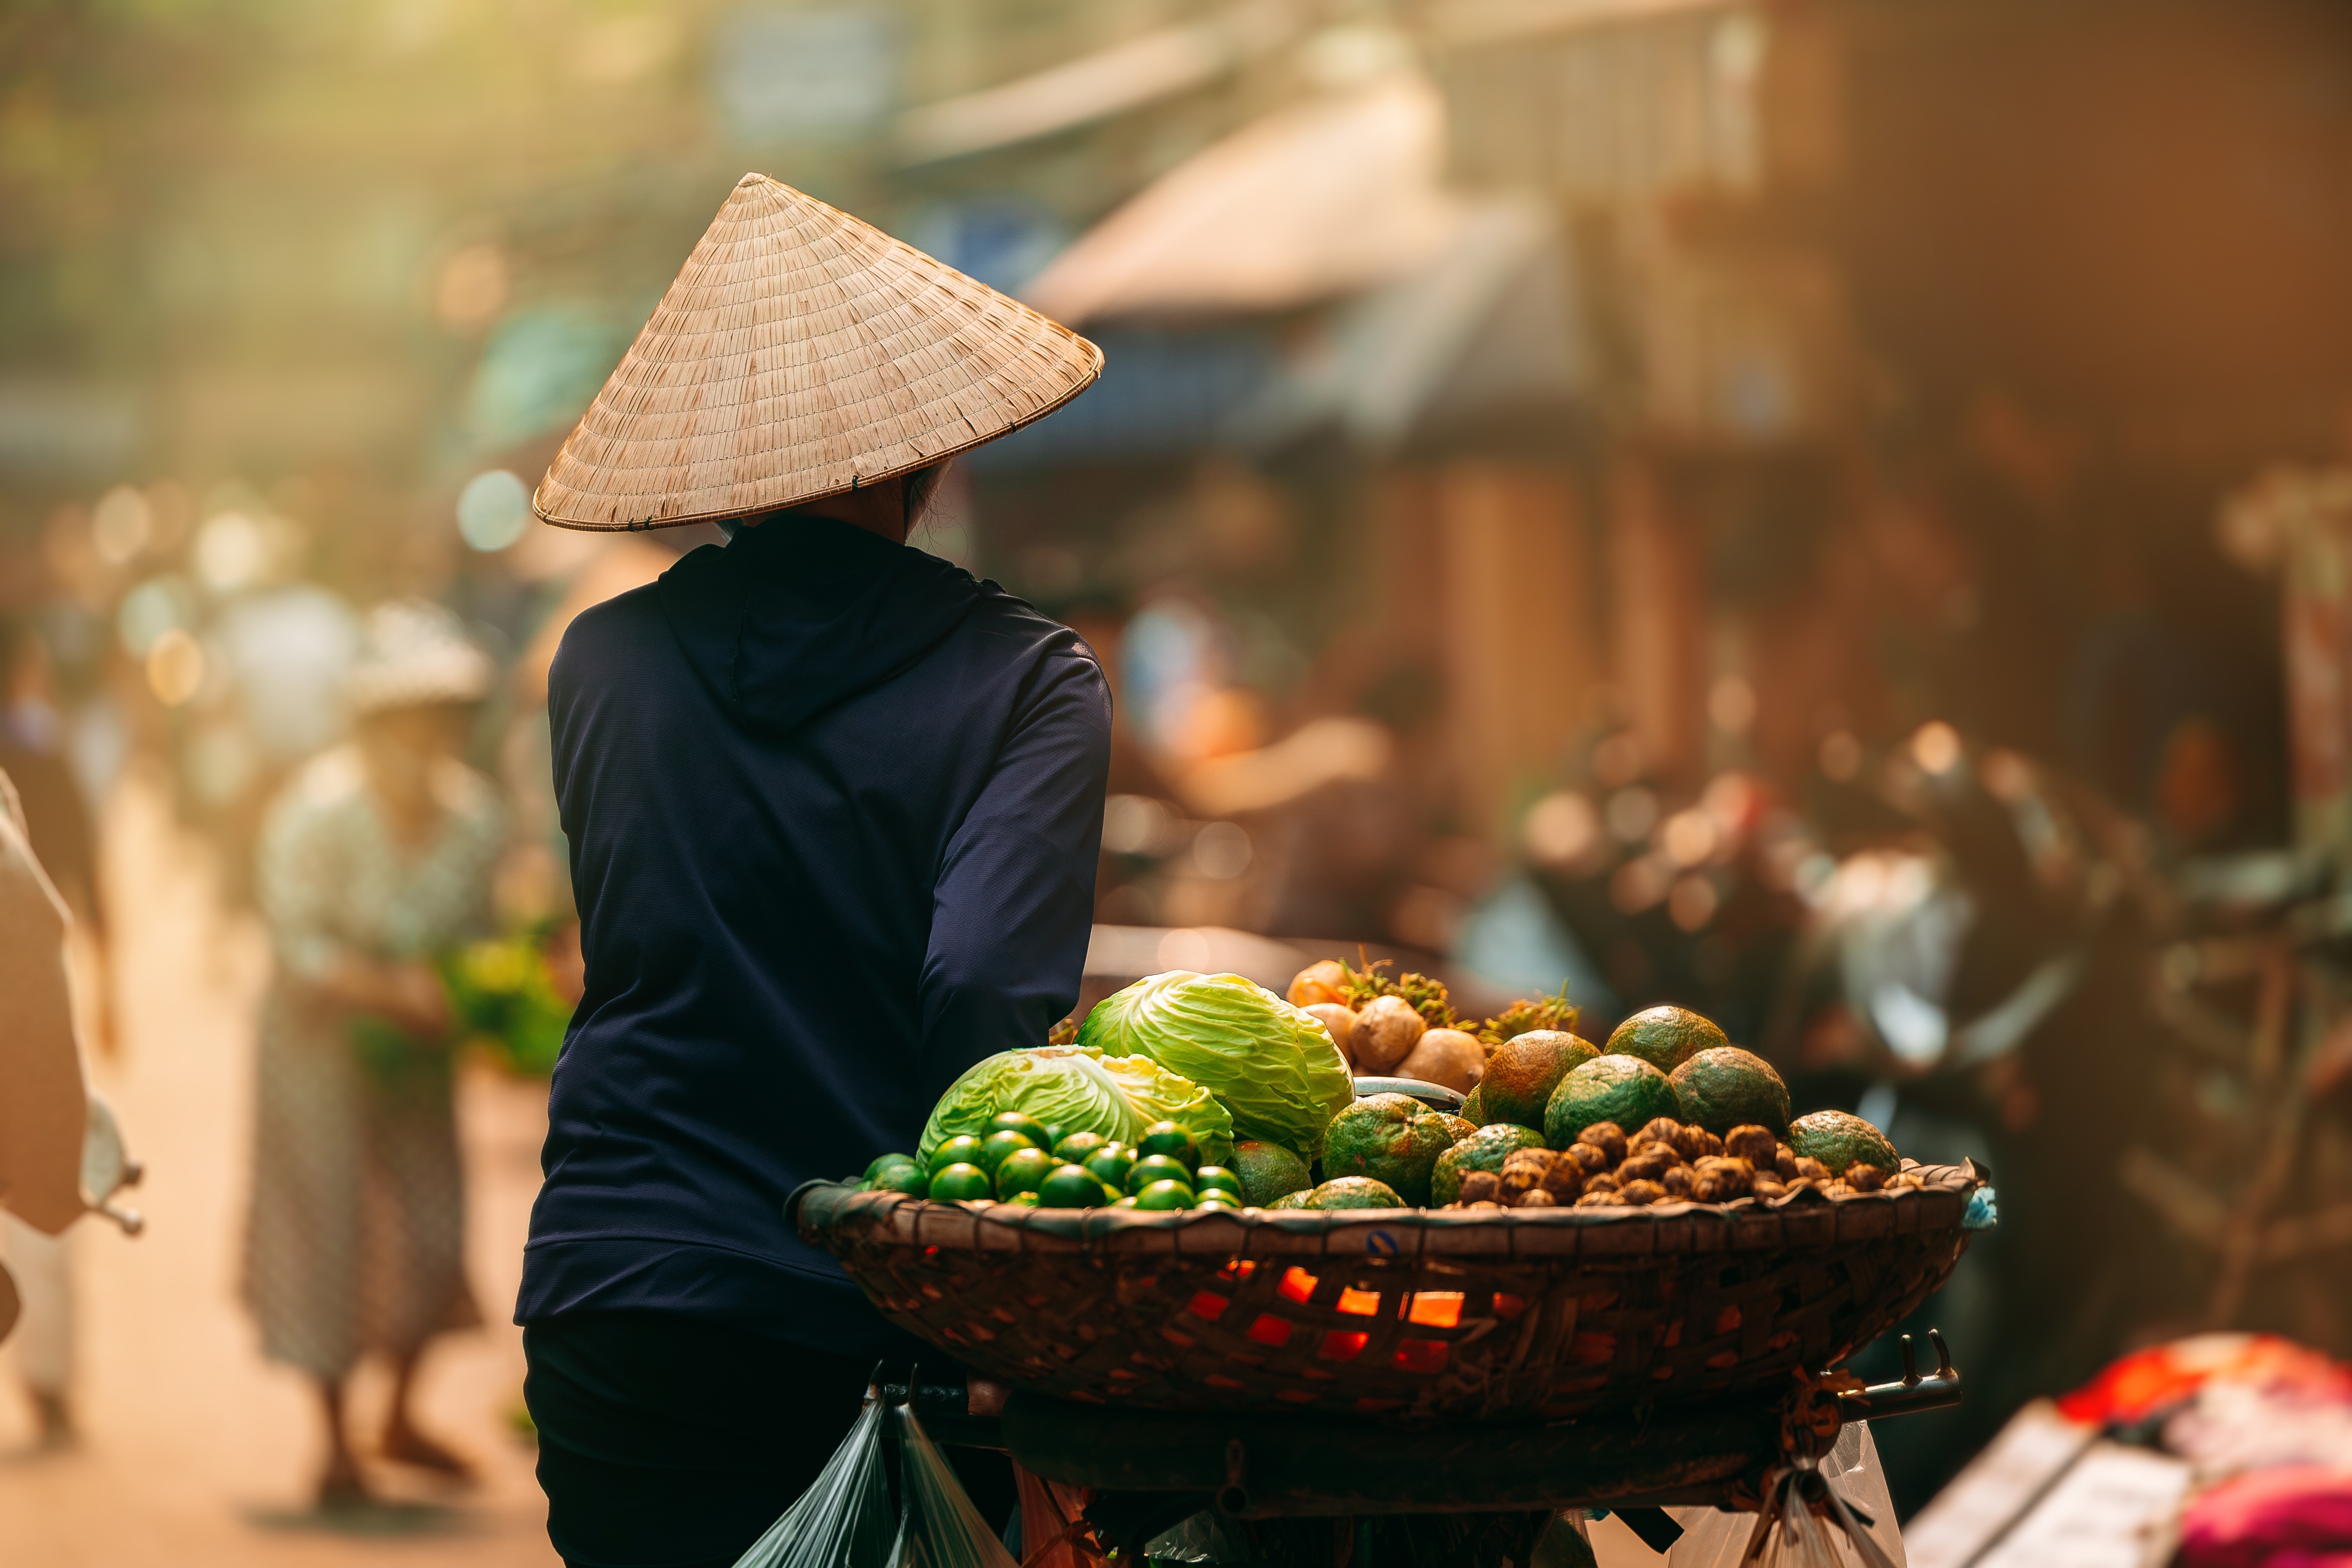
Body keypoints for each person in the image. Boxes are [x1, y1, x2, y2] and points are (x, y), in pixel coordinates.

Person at [514, 173, 1109, 1568]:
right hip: (875, 1311)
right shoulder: (1028, 678)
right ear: (932, 457)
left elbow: (651, 946)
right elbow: (978, 993)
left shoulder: (601, 662)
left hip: (619, 1290)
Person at [241, 600, 504, 1507]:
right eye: (408, 715)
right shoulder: (315, 809)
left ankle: (397, 1412)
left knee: (434, 1229)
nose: (425, 733)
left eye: (441, 714)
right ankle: (333, 1438)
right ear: (373, 721)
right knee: (330, 1229)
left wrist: (479, 996)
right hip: (316, 1053)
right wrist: (390, 988)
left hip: (417, 1058)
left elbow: (479, 940)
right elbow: (293, 941)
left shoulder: (472, 818)